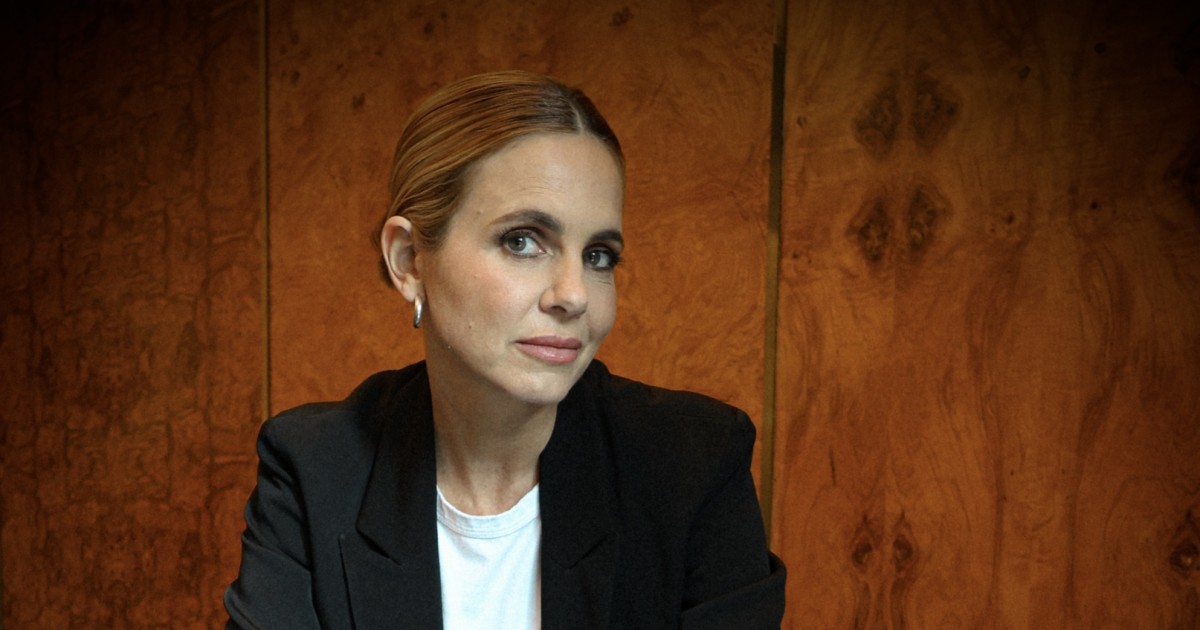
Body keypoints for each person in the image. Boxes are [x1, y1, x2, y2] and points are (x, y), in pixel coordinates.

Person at [224, 70, 785, 629]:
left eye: (598, 256)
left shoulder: (691, 466)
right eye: (522, 242)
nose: (573, 295)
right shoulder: (315, 469)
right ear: (410, 260)